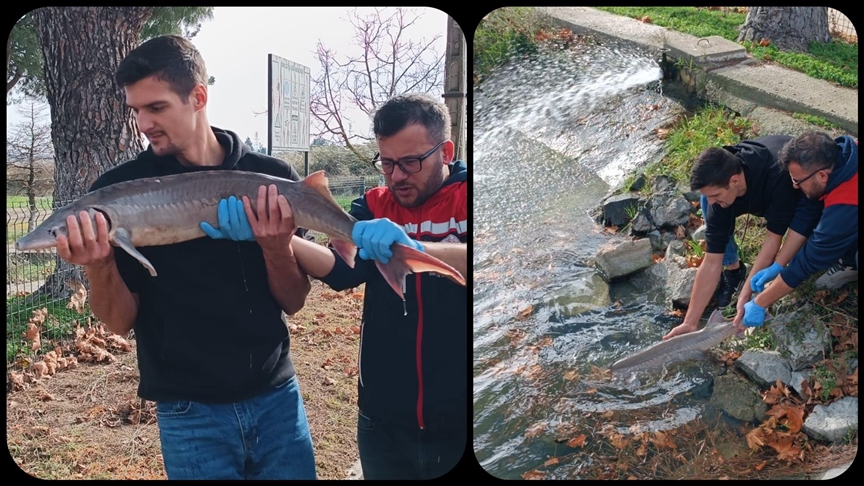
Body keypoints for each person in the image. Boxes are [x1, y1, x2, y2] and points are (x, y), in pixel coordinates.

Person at [52, 35, 317, 480]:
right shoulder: (116, 193)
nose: (143, 124)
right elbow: (118, 322)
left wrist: (275, 248)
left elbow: (294, 301)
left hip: (277, 399)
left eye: (156, 108)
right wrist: (99, 264)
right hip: (188, 413)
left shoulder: (272, 179)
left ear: (198, 97)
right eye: (136, 110)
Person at [219, 93, 467, 479]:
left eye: (410, 162)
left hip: (462, 420)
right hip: (382, 420)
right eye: (387, 163)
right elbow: (342, 270)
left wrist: (418, 249)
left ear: (446, 151)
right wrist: (273, 237)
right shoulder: (373, 205)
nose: (397, 176)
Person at [662, 135, 822, 340]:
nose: (712, 202)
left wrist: (746, 292)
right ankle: (734, 270)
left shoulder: (777, 177)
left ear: (734, 181)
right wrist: (690, 322)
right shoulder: (721, 188)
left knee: (809, 229)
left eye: (715, 195)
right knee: (709, 207)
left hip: (797, 188)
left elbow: (773, 240)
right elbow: (711, 262)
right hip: (752, 190)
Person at [742, 132, 858, 327]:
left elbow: (811, 258)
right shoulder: (842, 156)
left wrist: (760, 303)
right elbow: (808, 212)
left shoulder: (846, 203)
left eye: (797, 180)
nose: (794, 186)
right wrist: (779, 265)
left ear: (822, 176)